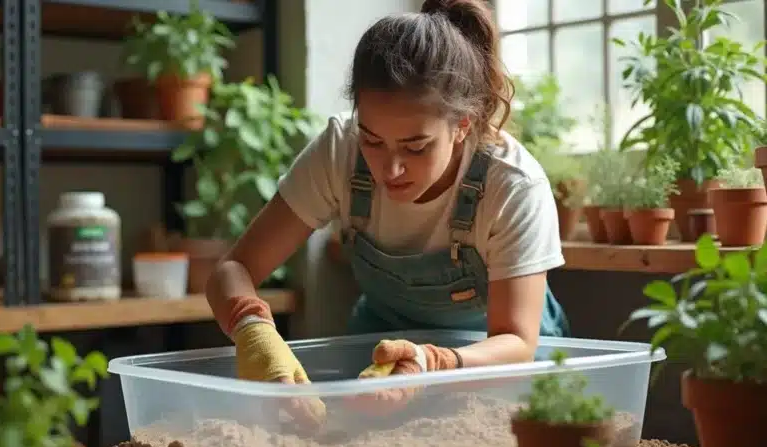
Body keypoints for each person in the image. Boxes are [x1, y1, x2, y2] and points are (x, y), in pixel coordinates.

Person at [206, 0, 568, 423]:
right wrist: (253, 332)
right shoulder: (339, 149)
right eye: (372, 140)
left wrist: (430, 362)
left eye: (416, 147)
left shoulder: (512, 184)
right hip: (380, 354)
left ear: (463, 125)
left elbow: (516, 341)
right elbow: (232, 269)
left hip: (491, 366)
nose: (390, 168)